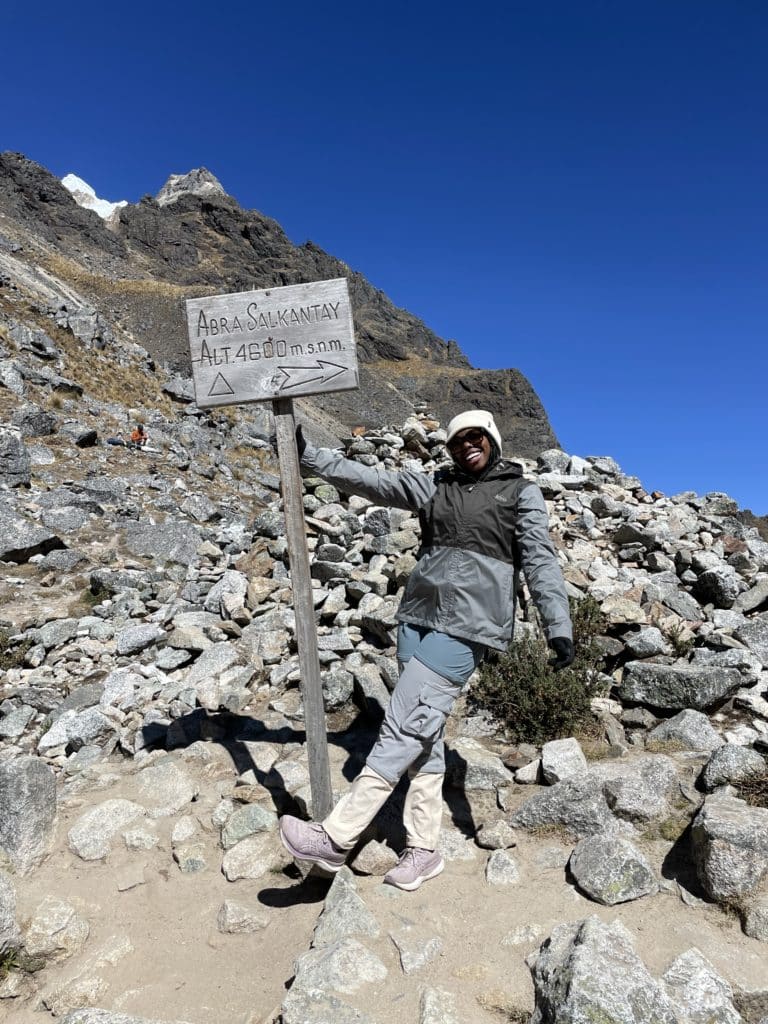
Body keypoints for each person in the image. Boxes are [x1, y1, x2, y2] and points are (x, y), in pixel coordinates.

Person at [279, 409, 574, 891]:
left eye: (476, 437)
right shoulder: (436, 487)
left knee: (401, 726)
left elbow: (540, 558)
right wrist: (309, 456)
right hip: (417, 618)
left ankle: (334, 838)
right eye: (458, 441)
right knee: (423, 733)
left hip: (471, 625)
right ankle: (423, 850)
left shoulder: (521, 493)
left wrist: (557, 624)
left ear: (493, 440)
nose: (466, 446)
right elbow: (374, 481)